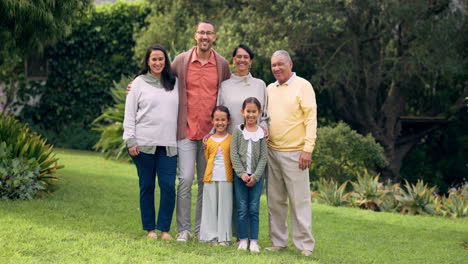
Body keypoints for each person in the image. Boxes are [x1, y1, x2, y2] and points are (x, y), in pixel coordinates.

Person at [171, 20, 231, 242]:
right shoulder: (181, 60)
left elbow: (229, 93)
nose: (205, 37)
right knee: (186, 179)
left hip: (210, 136)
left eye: (209, 33)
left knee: (206, 183)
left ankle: (200, 230)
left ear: (214, 37)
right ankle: (184, 230)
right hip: (186, 132)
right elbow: (163, 81)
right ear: (195, 35)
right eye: (201, 33)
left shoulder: (222, 65)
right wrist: (138, 85)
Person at [123, 44, 178, 240]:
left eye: (161, 59)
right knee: (147, 186)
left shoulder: (174, 83)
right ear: (148, 61)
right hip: (144, 144)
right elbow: (129, 113)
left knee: (168, 186)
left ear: (166, 61)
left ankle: (164, 229)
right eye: (154, 59)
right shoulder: (138, 83)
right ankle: (150, 229)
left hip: (169, 145)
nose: (157, 62)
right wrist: (130, 139)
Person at [265, 50, 317, 256]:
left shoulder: (303, 86)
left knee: (299, 201)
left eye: (280, 64)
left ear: (290, 64)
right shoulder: (269, 88)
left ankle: (305, 244)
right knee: (275, 201)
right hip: (272, 152)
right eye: (273, 65)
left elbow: (310, 119)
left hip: (296, 153)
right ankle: (278, 241)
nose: (276, 68)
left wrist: (308, 149)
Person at [230, 97, 268, 253]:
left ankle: (253, 241)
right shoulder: (238, 131)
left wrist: (256, 176)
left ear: (259, 113)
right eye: (248, 111)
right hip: (240, 177)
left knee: (253, 208)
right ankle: (242, 239)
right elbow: (234, 154)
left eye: (254, 112)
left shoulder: (261, 134)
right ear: (242, 112)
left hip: (256, 178)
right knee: (241, 208)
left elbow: (263, 157)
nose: (251, 115)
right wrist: (242, 173)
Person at [199, 106, 233, 245]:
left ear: (228, 121)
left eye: (223, 120)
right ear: (212, 121)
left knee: (225, 207)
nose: (220, 123)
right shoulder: (208, 140)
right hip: (210, 178)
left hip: (226, 178)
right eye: (217, 120)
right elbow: (208, 158)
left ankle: (223, 236)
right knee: (210, 206)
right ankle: (210, 236)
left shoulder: (231, 139)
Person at [217, 44, 268, 133]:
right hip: (231, 140)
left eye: (246, 57)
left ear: (250, 61)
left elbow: (265, 115)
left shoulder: (260, 85)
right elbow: (218, 114)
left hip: (255, 140)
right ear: (233, 60)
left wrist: (264, 127)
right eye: (239, 56)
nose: (242, 60)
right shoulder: (224, 86)